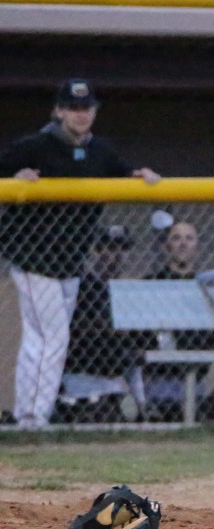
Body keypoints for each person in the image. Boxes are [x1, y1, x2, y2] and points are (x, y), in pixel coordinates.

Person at [0, 78, 160, 427]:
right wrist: (17, 177)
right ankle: (33, 418)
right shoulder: (36, 145)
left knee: (42, 337)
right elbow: (5, 167)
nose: (80, 114)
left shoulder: (100, 150)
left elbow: (124, 172)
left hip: (70, 260)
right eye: (73, 108)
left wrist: (140, 174)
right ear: (59, 111)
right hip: (31, 258)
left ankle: (30, 414)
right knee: (51, 336)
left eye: (86, 108)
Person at [53, 224, 144, 423]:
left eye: (123, 248)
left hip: (117, 381)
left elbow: (137, 343)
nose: (117, 254)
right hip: (81, 378)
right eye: (110, 248)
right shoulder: (83, 287)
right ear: (97, 250)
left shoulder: (131, 290)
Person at [139, 218, 214, 421]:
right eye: (176, 238)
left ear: (197, 248)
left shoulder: (206, 287)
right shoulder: (151, 283)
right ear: (166, 246)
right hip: (158, 377)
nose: (183, 243)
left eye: (189, 238)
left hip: (195, 378)